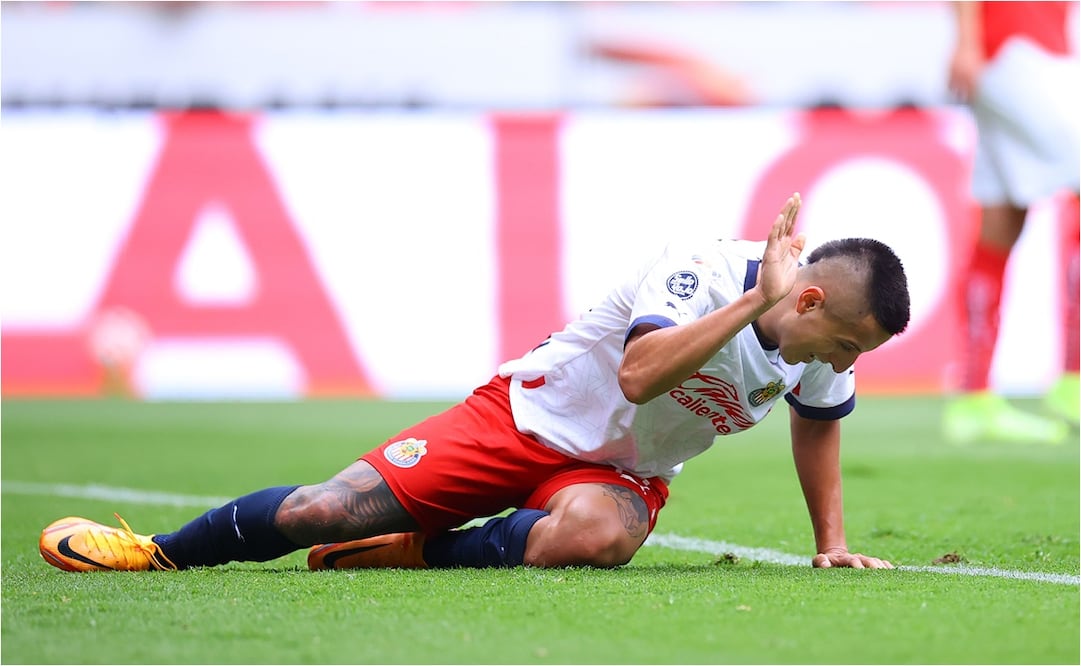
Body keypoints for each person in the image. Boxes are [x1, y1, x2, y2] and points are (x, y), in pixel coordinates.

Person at [39, 192, 911, 574]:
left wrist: (828, 538)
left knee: (593, 539)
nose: (842, 363)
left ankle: (412, 548)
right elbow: (642, 374)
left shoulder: (810, 350)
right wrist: (743, 307)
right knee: (316, 511)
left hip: (618, 474)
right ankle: (155, 552)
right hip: (522, 417)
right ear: (798, 296)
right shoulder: (702, 269)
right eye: (842, 342)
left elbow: (820, 421)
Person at [943, 0, 1080, 445]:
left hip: (1029, 51)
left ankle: (974, 399)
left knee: (1001, 220)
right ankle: (1074, 382)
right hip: (1018, 51)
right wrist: (966, 41)